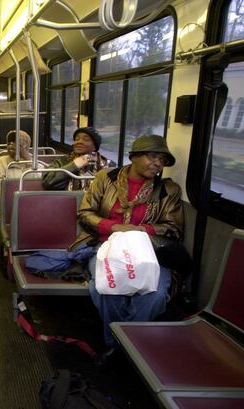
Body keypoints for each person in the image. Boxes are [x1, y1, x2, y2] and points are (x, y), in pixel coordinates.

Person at [73, 135, 183, 352]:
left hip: (148, 252)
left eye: (162, 160)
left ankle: (124, 347)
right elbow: (85, 213)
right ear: (134, 157)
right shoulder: (106, 178)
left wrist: (138, 230)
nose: (158, 163)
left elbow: (173, 228)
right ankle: (120, 345)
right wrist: (113, 227)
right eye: (153, 156)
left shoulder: (168, 190)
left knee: (156, 294)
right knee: (105, 289)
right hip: (106, 245)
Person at [43, 127, 114, 191]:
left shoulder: (107, 165)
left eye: (86, 139)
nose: (79, 142)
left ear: (94, 147)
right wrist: (74, 165)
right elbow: (48, 182)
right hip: (68, 202)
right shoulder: (61, 161)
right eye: (77, 139)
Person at [0, 130, 39, 222]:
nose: (10, 145)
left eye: (16, 143)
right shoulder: (1, 162)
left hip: (32, 201)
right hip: (9, 202)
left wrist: (27, 161)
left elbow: (38, 185)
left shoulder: (36, 163)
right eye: (9, 143)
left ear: (25, 146)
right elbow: (0, 189)